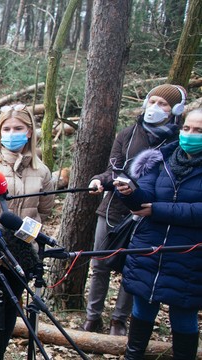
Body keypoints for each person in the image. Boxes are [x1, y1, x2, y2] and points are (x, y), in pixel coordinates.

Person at [82, 84, 184, 336]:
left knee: (133, 267)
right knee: (100, 264)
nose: (155, 108)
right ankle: (92, 317)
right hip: (112, 210)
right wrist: (99, 180)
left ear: (176, 110)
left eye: (163, 104)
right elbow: (113, 170)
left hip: (146, 214)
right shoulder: (127, 134)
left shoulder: (179, 141)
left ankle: (119, 319)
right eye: (153, 101)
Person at [0, 103, 54, 359]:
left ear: (29, 132)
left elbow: (44, 210)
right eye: (7, 128)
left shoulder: (42, 171)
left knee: (10, 308)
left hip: (21, 256)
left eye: (18, 128)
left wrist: (26, 237)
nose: (12, 133)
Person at [116, 108, 202, 360]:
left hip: (189, 256)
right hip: (148, 249)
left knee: (183, 314)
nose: (190, 134)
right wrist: (129, 193)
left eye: (198, 131)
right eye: (187, 128)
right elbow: (143, 203)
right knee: (142, 307)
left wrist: (157, 210)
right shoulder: (159, 159)